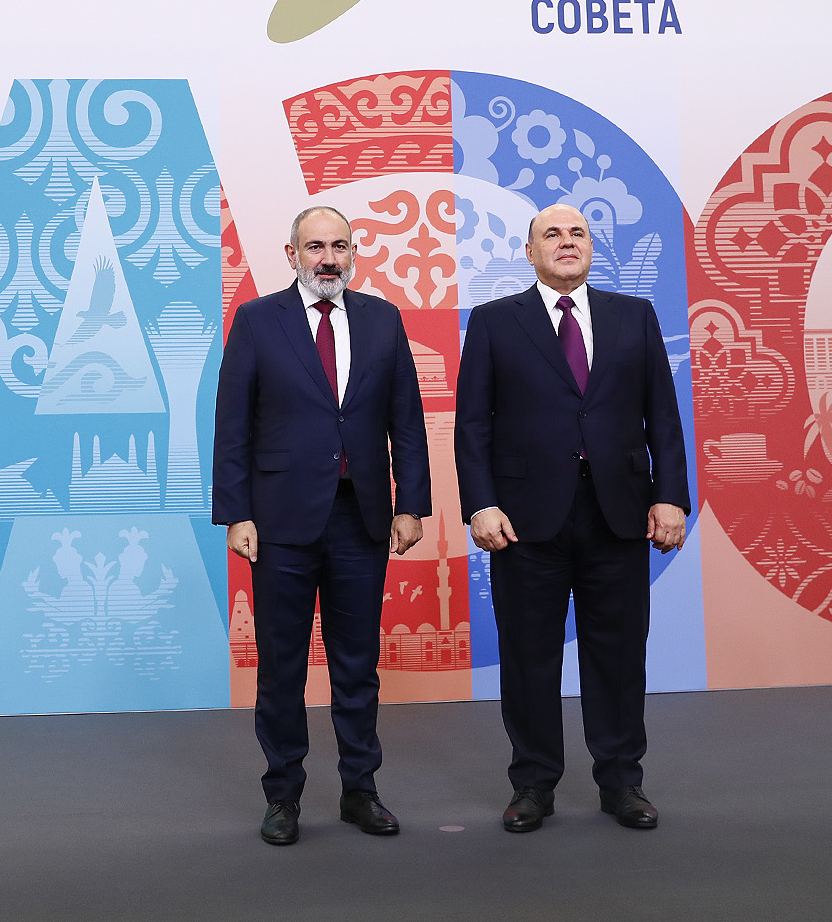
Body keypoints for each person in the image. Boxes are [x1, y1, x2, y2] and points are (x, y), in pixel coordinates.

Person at [454, 203, 689, 833]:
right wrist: (480, 503)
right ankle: (533, 784)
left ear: (591, 247)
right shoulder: (494, 321)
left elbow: (663, 417)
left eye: (577, 233)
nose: (566, 242)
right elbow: (472, 424)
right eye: (551, 234)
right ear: (530, 252)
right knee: (528, 655)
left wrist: (670, 496)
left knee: (619, 654)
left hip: (619, 513)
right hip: (524, 520)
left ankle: (622, 781)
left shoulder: (634, 316)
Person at [213, 205, 431, 846]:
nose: (328, 258)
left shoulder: (383, 318)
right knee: (281, 666)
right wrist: (236, 512)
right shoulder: (257, 320)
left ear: (353, 252)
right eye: (315, 247)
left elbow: (407, 419)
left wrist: (411, 504)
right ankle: (283, 795)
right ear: (292, 255)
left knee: (357, 665)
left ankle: (361, 790)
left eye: (339, 246)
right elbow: (232, 424)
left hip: (361, 518)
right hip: (279, 520)